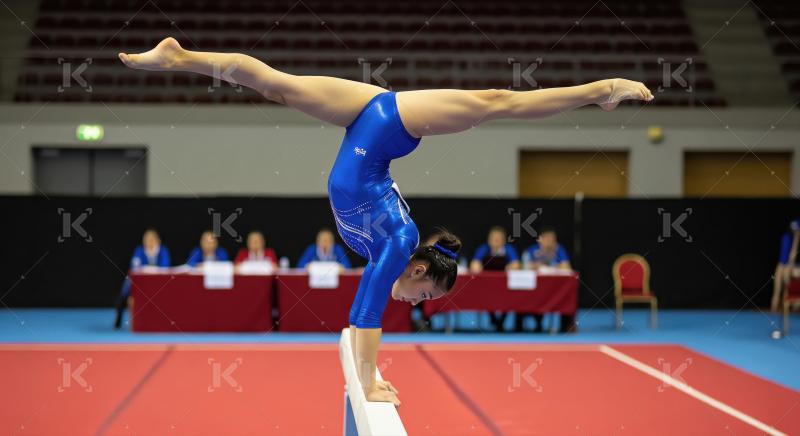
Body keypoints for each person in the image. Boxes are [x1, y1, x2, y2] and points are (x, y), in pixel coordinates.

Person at [119, 37, 653, 406]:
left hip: (364, 122)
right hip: (394, 123)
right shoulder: (399, 246)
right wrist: (370, 380)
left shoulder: (385, 252)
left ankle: (180, 56)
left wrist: (371, 371)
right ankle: (599, 90)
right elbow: (365, 311)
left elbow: (362, 313)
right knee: (497, 103)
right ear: (418, 272)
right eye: (422, 298)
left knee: (275, 86)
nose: (414, 305)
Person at [114, 228, 171, 329]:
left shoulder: (163, 250)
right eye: (146, 239)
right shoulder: (139, 250)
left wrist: (149, 269)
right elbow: (135, 266)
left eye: (151, 239)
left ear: (158, 240)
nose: (148, 242)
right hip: (141, 282)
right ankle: (118, 319)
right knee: (124, 290)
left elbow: (165, 266)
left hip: (158, 282)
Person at [469, 226, 521, 331]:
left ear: (503, 240)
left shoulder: (509, 249)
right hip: (487, 286)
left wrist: (510, 267)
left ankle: (501, 321)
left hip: (505, 287)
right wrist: (477, 266)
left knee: (512, 297)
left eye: (498, 238)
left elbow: (516, 265)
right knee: (485, 296)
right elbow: (474, 265)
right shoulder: (483, 249)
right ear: (489, 239)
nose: (496, 241)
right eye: (493, 238)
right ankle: (493, 318)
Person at [522, 226, 572, 332]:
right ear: (541, 239)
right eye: (547, 238)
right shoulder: (532, 250)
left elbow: (566, 266)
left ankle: (565, 326)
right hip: (535, 288)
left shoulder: (559, 250)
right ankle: (536, 323)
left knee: (568, 294)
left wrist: (546, 267)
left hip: (555, 288)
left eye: (552, 239)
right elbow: (525, 266)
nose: (550, 241)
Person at [772, 219, 800, 312]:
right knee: (777, 287)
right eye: (793, 228)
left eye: (796, 229)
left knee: (787, 287)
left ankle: (787, 309)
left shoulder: (795, 240)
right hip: (781, 264)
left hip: (789, 265)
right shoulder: (786, 236)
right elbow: (784, 252)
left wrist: (797, 237)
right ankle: (774, 308)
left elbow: (792, 255)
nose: (794, 230)